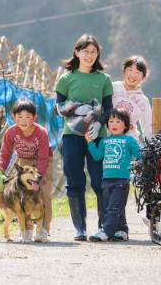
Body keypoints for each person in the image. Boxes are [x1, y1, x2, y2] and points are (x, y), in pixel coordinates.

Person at [54, 34, 114, 241]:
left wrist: (98, 123)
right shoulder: (66, 79)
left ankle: (103, 227)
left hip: (96, 136)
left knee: (99, 180)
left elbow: (109, 108)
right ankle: (79, 228)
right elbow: (58, 108)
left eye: (93, 52)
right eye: (85, 51)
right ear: (77, 52)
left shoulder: (103, 79)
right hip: (72, 135)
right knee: (74, 180)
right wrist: (78, 110)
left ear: (98, 54)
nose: (89, 55)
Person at [0, 98, 53, 241]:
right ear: (13, 117)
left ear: (35, 118)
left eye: (28, 117)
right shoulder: (11, 132)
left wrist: (37, 178)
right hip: (24, 161)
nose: (23, 120)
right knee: (22, 195)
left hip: (43, 161)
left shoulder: (41, 132)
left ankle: (43, 229)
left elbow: (44, 158)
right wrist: (0, 171)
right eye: (19, 117)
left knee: (43, 194)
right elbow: (5, 154)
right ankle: (27, 229)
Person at [85, 108, 142, 241]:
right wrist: (90, 143)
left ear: (126, 125)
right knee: (114, 207)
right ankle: (122, 231)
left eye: (118, 121)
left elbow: (140, 154)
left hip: (121, 181)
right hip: (106, 181)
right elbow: (98, 156)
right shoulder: (105, 141)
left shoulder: (129, 140)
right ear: (107, 125)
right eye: (111, 121)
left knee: (114, 208)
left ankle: (106, 232)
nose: (114, 124)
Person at [111, 56, 152, 147]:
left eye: (137, 72)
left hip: (130, 144)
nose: (133, 75)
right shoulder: (112, 87)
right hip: (108, 141)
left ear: (143, 78)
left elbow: (148, 130)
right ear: (124, 70)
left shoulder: (143, 100)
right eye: (130, 70)